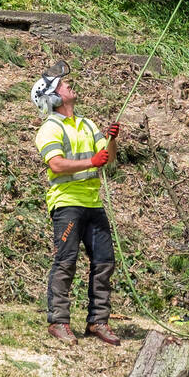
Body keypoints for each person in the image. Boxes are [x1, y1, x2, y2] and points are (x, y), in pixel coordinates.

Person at [31, 63, 122, 346]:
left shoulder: (87, 124)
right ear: (53, 97)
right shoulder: (49, 129)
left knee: (105, 261)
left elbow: (109, 160)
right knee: (65, 262)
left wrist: (112, 141)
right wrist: (90, 162)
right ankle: (58, 321)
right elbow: (56, 165)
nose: (69, 85)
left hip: (93, 203)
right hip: (67, 204)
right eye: (62, 85)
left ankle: (98, 322)